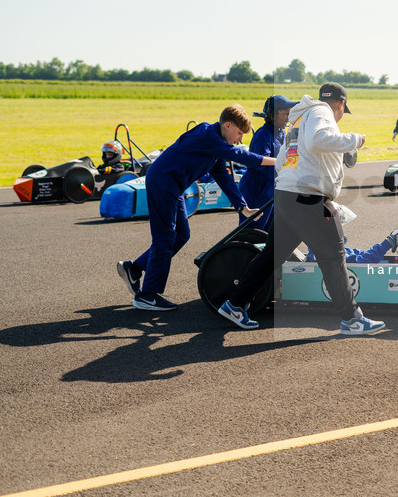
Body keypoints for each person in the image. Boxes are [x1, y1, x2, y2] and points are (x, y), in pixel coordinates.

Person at [116, 105, 272, 310]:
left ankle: (134, 269)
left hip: (174, 185)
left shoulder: (215, 147)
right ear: (227, 125)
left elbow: (224, 178)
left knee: (181, 235)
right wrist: (277, 162)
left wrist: (242, 207)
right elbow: (242, 156)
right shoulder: (209, 136)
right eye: (239, 133)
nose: (240, 139)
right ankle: (147, 295)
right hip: (163, 182)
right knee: (165, 238)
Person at [255, 83, 382, 335]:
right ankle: (351, 318)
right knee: (334, 255)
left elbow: (282, 161)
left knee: (272, 256)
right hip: (309, 200)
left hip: (286, 196)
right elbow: (319, 140)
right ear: (341, 105)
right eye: (343, 111)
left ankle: (234, 303)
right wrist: (355, 140)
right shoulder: (322, 112)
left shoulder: (300, 118)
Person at [217, 218, 398, 330]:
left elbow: (363, 255)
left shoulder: (333, 248)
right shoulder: (326, 250)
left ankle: (237, 303)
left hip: (291, 201)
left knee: (272, 252)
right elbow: (367, 260)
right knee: (273, 254)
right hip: (304, 205)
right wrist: (388, 242)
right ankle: (351, 318)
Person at [238, 95, 297, 231]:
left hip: (272, 191)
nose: (289, 117)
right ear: (272, 115)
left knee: (269, 233)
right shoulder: (263, 135)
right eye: (285, 113)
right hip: (257, 191)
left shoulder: (282, 133)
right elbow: (260, 162)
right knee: (251, 232)